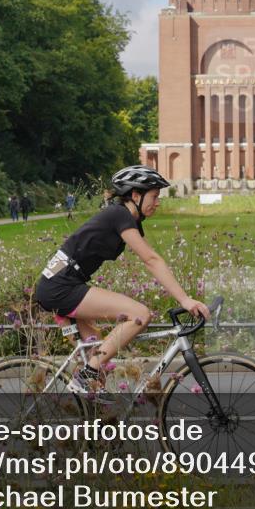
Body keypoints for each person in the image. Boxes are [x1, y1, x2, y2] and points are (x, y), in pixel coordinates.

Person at [33, 165, 209, 395]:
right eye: (154, 196)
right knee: (139, 315)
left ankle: (96, 418)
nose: (158, 202)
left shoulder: (127, 219)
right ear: (135, 195)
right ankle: (86, 377)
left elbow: (150, 258)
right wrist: (185, 300)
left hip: (62, 284)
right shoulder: (119, 215)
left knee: (99, 361)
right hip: (61, 286)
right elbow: (151, 259)